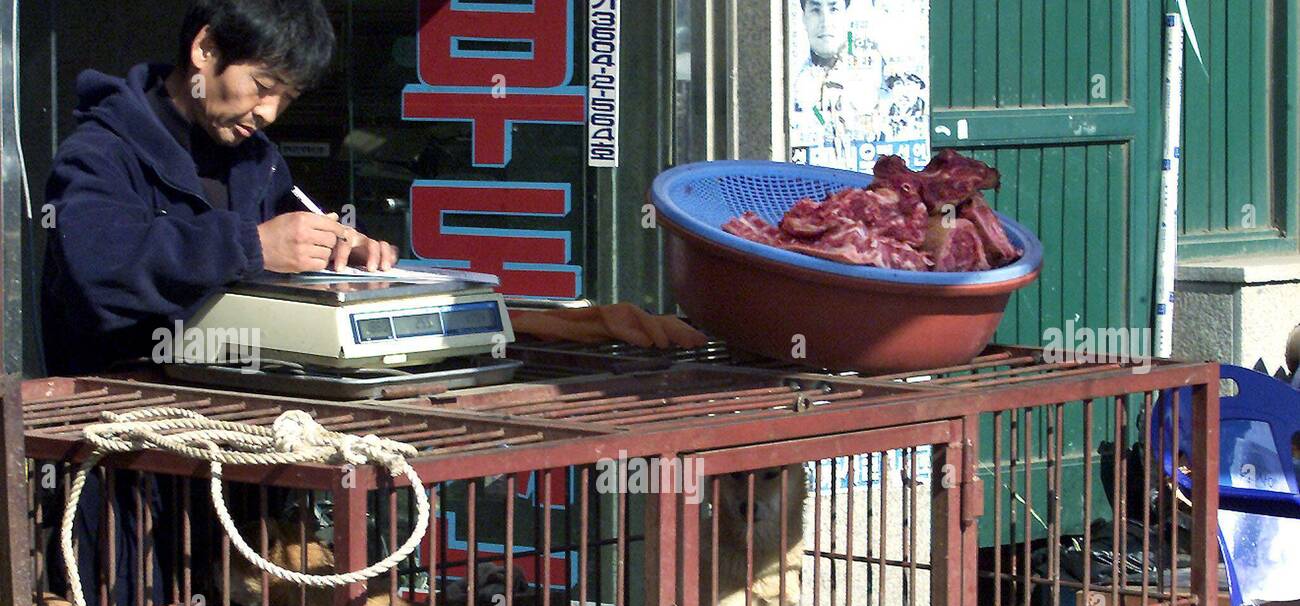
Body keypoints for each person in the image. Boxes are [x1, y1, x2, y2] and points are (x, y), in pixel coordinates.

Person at [41, 0, 704, 377]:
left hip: (233, 445)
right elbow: (96, 266)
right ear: (206, 50)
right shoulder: (103, 149)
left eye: (286, 98)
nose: (269, 113)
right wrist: (250, 244)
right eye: (263, 88)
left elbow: (283, 261)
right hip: (120, 456)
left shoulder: (258, 158)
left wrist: (344, 254)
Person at [790, 0, 883, 168]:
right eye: (816, 10)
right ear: (803, 17)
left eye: (834, 9)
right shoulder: (797, 82)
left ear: (847, 15)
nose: (825, 22)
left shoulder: (874, 72)